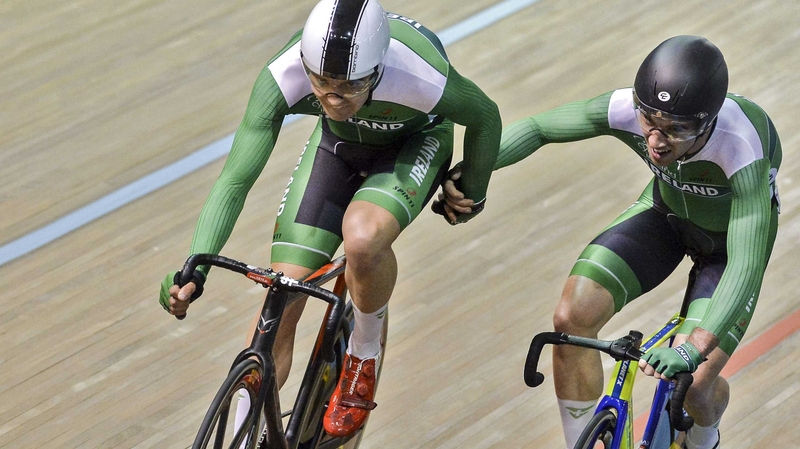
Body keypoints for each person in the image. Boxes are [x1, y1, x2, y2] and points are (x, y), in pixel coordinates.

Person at [158, 0, 500, 438]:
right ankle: (244, 429)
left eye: (349, 87)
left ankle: (364, 350)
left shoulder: (418, 74)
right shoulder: (283, 75)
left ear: (377, 72)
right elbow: (233, 182)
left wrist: (473, 186)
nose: (333, 98)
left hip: (412, 144)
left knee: (361, 237)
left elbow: (486, 116)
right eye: (322, 83)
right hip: (336, 150)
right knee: (281, 295)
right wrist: (196, 266)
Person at [437, 35, 781, 449]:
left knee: (694, 384)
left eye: (675, 131)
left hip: (729, 251)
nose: (655, 141)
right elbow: (537, 128)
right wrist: (468, 175)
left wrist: (693, 352)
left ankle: (705, 436)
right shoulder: (629, 109)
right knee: (572, 315)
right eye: (649, 122)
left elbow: (745, 262)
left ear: (707, 123)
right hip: (664, 216)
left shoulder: (741, 144)